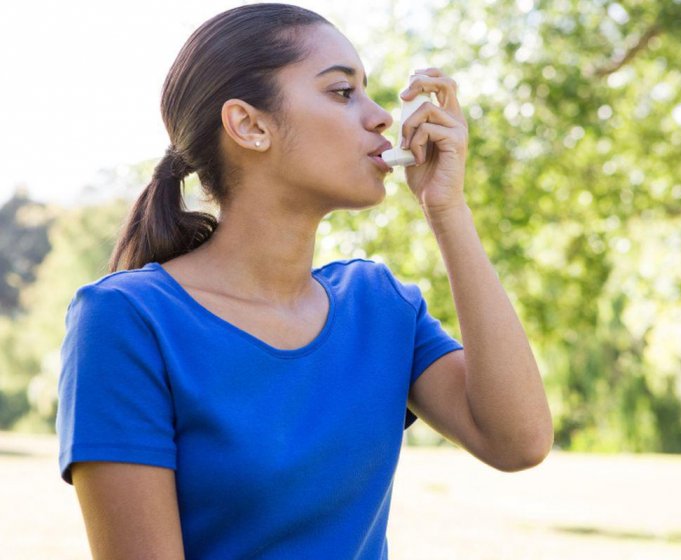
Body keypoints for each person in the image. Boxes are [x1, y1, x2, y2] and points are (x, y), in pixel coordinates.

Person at [56, 3, 554, 559]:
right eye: (343, 92)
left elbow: (518, 442)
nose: (383, 116)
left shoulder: (379, 305)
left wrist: (447, 209)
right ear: (250, 125)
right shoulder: (127, 318)